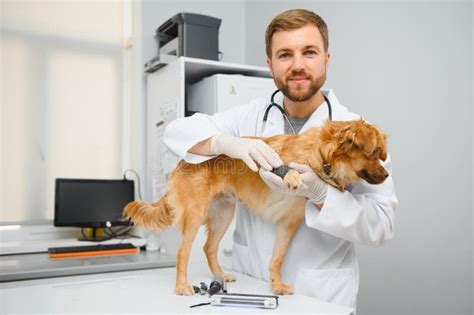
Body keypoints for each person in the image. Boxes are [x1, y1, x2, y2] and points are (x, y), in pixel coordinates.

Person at [163, 9, 397, 309]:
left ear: (326, 58)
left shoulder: (356, 134)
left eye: (309, 52)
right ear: (270, 64)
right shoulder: (248, 116)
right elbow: (176, 132)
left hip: (321, 296)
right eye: (285, 55)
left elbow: (382, 226)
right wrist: (225, 142)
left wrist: (321, 194)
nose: (297, 65)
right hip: (249, 288)